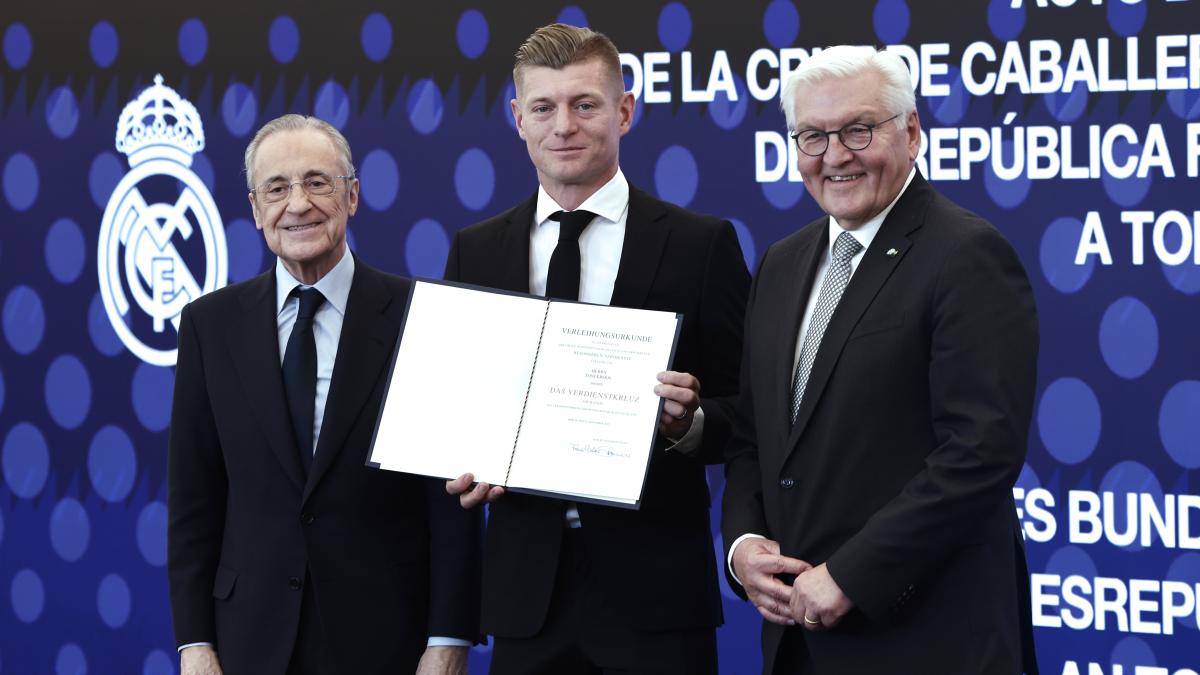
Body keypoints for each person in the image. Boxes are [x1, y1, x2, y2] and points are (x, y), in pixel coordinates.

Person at [721, 46, 1040, 674]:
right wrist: (743, 544)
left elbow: (981, 453)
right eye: (812, 136)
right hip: (798, 643)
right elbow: (754, 434)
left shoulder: (967, 255)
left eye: (858, 130)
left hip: (928, 641)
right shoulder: (782, 262)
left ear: (911, 132)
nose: (835, 155)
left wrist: (852, 574)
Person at [443, 23, 750, 674]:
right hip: (525, 597)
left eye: (584, 104)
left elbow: (749, 415)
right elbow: (465, 407)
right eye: (543, 107)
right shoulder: (476, 250)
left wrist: (689, 423)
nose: (563, 126)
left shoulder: (701, 246)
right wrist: (465, 458)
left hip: (657, 597)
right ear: (517, 118)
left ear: (624, 111)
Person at [167, 114, 480, 675]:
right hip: (249, 640)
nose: (298, 204)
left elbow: (449, 502)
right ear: (255, 209)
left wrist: (448, 637)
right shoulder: (209, 326)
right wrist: (194, 644)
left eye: (317, 182)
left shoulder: (420, 316)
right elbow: (194, 501)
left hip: (388, 638)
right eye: (276, 188)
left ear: (352, 196)